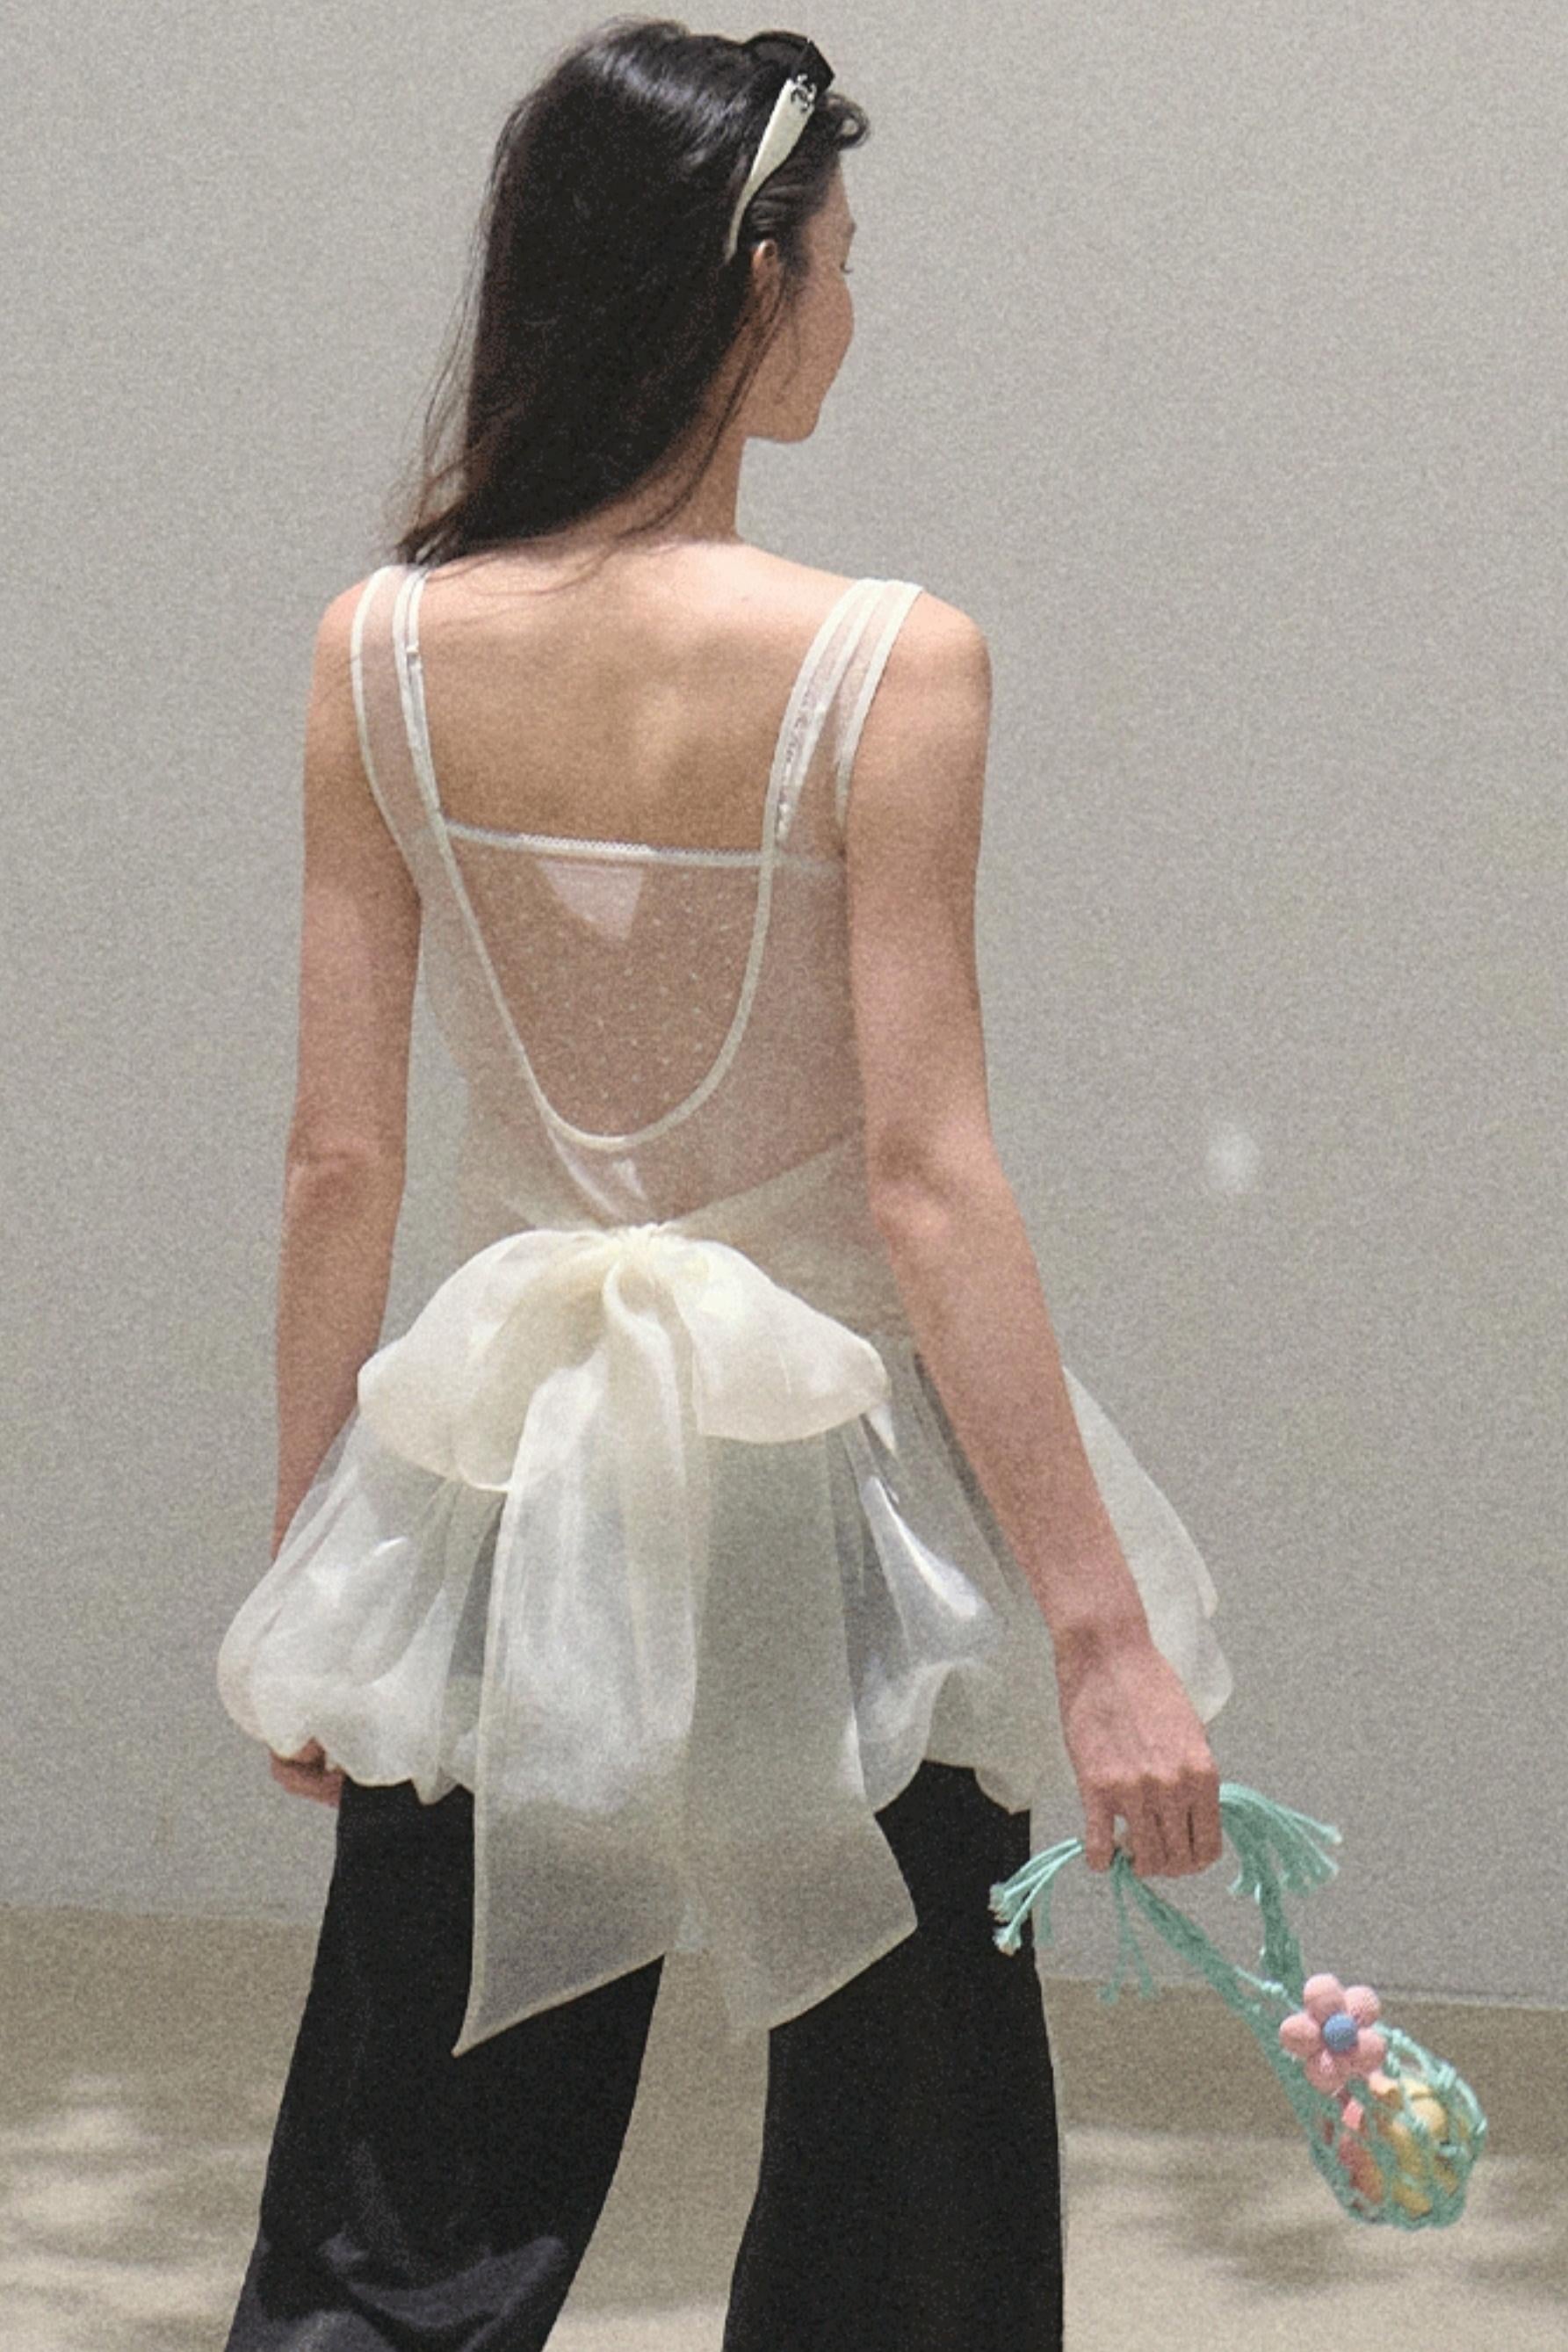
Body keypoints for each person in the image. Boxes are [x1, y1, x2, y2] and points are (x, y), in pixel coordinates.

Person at [218, 21, 1232, 2349]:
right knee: (916, 2189)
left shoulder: (381, 650)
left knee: (404, 2196)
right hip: (838, 1499)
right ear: (746, 278)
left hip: (499, 1484)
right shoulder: (891, 666)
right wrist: (1100, 1639)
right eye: (839, 257)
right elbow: (927, 1179)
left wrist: (314, 1563)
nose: (852, 308)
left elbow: (338, 1158)